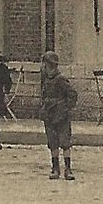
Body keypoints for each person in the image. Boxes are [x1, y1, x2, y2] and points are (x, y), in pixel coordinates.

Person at [39, 51, 80, 180]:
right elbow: (44, 95)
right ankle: (55, 168)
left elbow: (72, 94)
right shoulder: (45, 79)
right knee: (52, 142)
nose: (45, 68)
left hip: (61, 115)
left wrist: (65, 108)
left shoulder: (61, 79)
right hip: (49, 114)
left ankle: (68, 169)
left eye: (46, 65)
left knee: (65, 142)